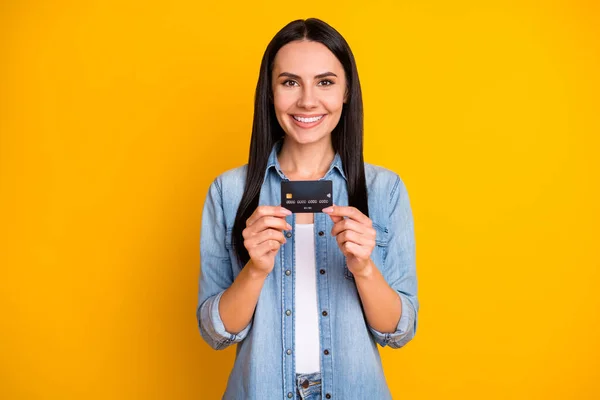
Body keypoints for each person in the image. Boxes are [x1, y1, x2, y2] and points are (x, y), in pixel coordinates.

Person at [197, 18, 418, 400]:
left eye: (325, 81)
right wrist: (255, 270)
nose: (307, 101)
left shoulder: (385, 189)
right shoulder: (228, 191)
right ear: (270, 92)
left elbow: (399, 332)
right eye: (290, 82)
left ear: (347, 91)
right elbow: (215, 333)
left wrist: (364, 268)